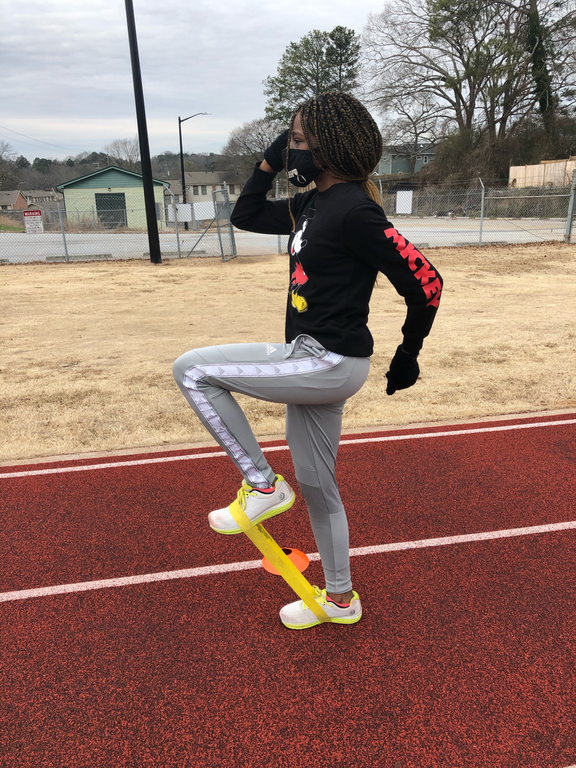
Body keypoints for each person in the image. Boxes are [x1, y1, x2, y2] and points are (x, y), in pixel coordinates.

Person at [173, 91, 443, 630]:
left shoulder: (355, 211)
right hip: (316, 362)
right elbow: (246, 214)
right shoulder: (312, 204)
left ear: (329, 148)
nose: (289, 149)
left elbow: (427, 283)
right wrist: (271, 159)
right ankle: (341, 600)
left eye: (297, 140)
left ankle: (262, 485)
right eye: (289, 140)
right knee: (319, 489)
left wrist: (408, 354)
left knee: (193, 369)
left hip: (327, 360)